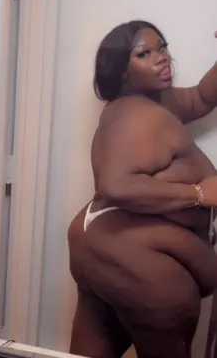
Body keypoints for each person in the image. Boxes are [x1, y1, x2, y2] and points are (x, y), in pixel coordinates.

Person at [67, 21, 217, 358]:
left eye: (161, 47)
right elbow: (117, 185)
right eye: (144, 54)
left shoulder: (155, 103)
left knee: (94, 347)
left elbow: (202, 97)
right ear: (122, 71)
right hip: (130, 253)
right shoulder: (135, 115)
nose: (161, 57)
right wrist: (198, 194)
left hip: (106, 245)